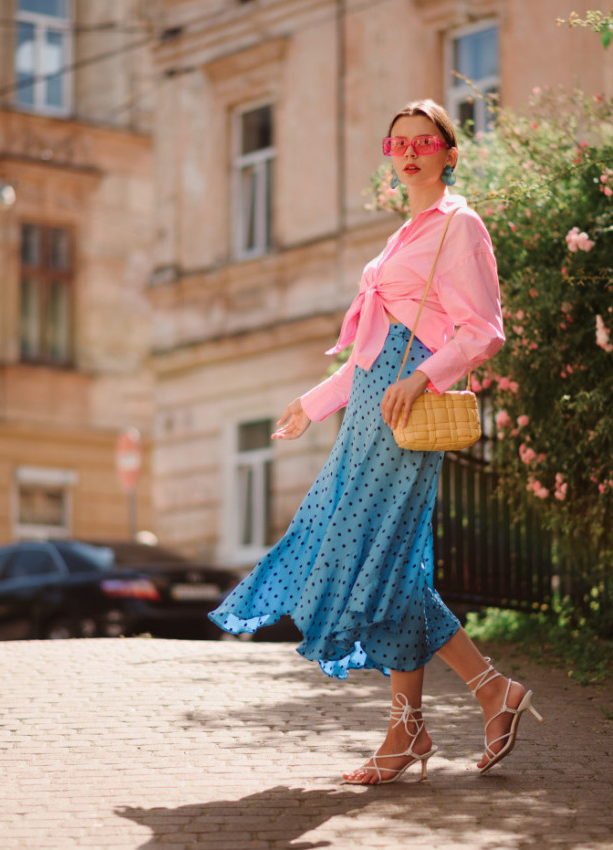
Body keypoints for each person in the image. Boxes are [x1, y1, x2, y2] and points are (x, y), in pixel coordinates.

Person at [209, 99, 542, 784]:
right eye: (398, 143)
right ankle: (430, 718)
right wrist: (312, 403)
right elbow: (366, 355)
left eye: (425, 142)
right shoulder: (402, 237)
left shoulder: (460, 226)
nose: (410, 152)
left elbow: (483, 330)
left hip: (404, 411)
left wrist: (421, 378)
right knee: (394, 566)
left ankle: (466, 702)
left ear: (450, 153)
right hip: (369, 411)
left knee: (373, 559)